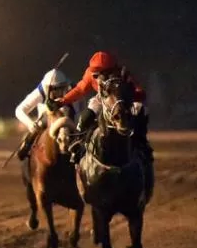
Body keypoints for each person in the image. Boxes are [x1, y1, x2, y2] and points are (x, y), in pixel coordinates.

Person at [53, 51, 152, 203]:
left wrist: (129, 96)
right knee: (85, 118)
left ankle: (142, 145)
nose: (97, 78)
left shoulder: (123, 74)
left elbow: (140, 93)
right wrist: (63, 101)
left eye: (101, 74)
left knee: (140, 112)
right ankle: (79, 147)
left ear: (112, 70)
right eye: (95, 74)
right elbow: (80, 89)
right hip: (103, 100)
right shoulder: (90, 74)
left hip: (122, 99)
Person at [14, 69, 80, 161]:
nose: (58, 93)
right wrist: (31, 124)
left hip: (67, 114)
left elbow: (76, 113)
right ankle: (26, 146)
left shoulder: (72, 90)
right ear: (47, 89)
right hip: (46, 114)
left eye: (60, 88)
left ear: (65, 86)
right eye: (55, 90)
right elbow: (19, 110)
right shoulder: (40, 92)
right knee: (39, 126)